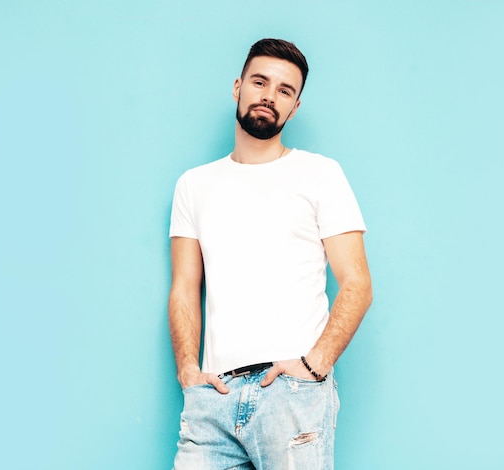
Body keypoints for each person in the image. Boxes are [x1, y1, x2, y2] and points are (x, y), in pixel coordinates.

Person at [168, 38, 372, 470]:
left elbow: (357, 282)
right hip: (213, 399)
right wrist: (188, 372)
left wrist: (316, 365)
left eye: (285, 90)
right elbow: (185, 288)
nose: (269, 95)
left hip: (293, 395)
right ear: (238, 86)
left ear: (295, 107)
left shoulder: (320, 175)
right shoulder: (194, 185)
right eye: (260, 82)